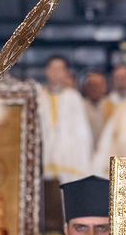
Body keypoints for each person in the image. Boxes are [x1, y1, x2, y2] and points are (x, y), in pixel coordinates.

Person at [37, 55, 93, 183]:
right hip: (46, 158)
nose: (55, 73)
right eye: (52, 69)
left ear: (65, 73)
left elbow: (82, 132)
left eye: (59, 69)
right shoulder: (38, 97)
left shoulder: (74, 97)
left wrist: (84, 159)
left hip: (70, 159)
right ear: (46, 71)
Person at [80, 71, 114, 148]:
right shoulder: (80, 107)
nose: (95, 89)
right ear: (86, 88)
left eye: (98, 86)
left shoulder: (113, 108)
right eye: (92, 85)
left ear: (105, 87)